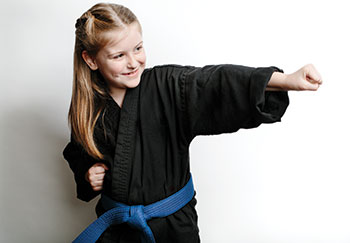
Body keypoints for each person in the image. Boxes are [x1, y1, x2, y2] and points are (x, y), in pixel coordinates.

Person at [63, 2, 322, 243]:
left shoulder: (168, 87)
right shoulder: (88, 109)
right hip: (116, 232)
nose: (133, 62)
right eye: (119, 55)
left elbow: (213, 82)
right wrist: (88, 173)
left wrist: (285, 80)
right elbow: (78, 153)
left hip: (174, 230)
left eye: (138, 48)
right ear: (91, 60)